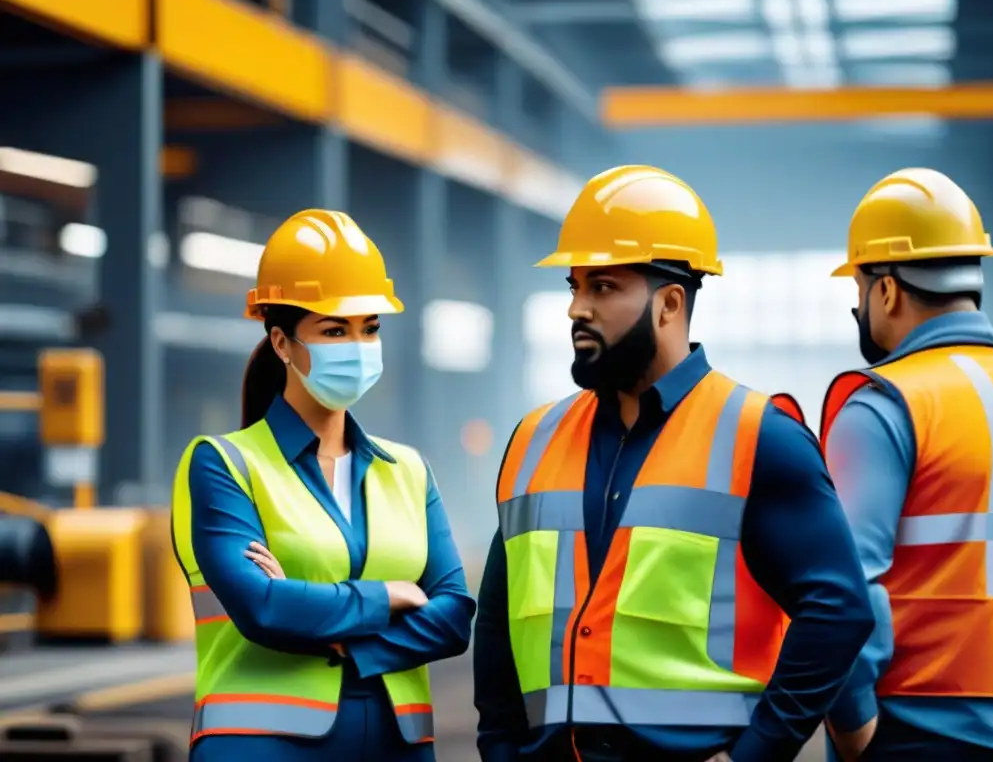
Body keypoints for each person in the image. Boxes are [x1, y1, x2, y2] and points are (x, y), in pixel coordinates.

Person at [473, 165, 874, 762]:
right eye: (574, 286)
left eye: (602, 287)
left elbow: (838, 611)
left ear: (669, 304)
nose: (576, 309)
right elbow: (497, 628)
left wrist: (756, 754)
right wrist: (501, 750)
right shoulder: (533, 439)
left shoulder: (760, 437)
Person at [170, 209, 476, 762]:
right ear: (283, 343)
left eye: (370, 328)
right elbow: (263, 607)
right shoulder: (224, 464)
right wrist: (391, 596)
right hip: (261, 747)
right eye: (335, 330)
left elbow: (454, 616)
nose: (358, 346)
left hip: (396, 746)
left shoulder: (408, 470)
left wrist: (338, 638)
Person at [820, 168, 993, 761]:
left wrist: (854, 725)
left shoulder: (883, 406)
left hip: (914, 733)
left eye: (859, 288)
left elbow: (845, 589)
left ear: (885, 289)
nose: (858, 306)